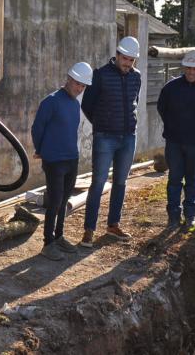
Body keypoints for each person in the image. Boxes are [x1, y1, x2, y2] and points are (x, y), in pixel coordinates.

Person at [79, 36, 142, 248]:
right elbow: (87, 105)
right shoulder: (100, 75)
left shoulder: (137, 77)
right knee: (98, 182)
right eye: (125, 59)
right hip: (105, 137)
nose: (127, 64)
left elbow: (135, 102)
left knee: (121, 182)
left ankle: (113, 225)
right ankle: (89, 229)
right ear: (117, 55)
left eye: (131, 60)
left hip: (128, 137)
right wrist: (101, 124)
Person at [31, 62, 93, 261]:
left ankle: (59, 237)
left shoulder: (75, 104)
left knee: (64, 199)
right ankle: (47, 243)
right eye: (77, 83)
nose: (80, 88)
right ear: (69, 78)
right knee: (55, 200)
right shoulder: (51, 102)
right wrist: (41, 150)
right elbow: (37, 128)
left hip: (71, 158)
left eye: (83, 86)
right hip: (54, 160)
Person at [157, 49, 195, 229]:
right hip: (174, 142)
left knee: (193, 180)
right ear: (184, 67)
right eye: (189, 68)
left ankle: (190, 215)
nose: (191, 72)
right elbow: (162, 108)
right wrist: (173, 126)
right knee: (175, 180)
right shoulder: (171, 88)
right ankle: (173, 217)